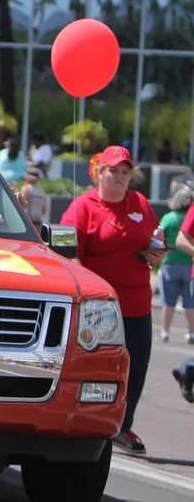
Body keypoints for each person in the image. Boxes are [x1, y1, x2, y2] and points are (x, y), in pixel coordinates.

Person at [60, 145, 164, 455]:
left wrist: (156, 252)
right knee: (96, 367)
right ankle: (86, 422)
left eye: (125, 172)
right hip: (100, 307)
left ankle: (123, 426)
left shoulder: (140, 203)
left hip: (137, 303)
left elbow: (154, 239)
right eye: (113, 171)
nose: (119, 177)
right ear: (99, 173)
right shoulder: (82, 207)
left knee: (136, 367)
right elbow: (67, 255)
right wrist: (87, 287)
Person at [165, 185, 194, 343]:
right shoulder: (189, 215)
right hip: (188, 264)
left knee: (168, 300)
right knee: (189, 303)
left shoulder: (169, 218)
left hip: (171, 262)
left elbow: (159, 234)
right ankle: (191, 332)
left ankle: (165, 331)